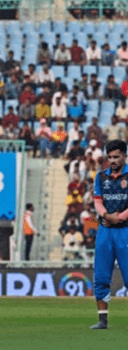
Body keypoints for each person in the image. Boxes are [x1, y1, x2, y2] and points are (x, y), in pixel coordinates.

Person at [91, 140, 128, 329]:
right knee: (101, 275)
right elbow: (97, 201)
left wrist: (119, 218)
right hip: (105, 230)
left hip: (125, 231)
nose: (112, 161)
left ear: (124, 156)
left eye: (116, 157)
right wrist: (106, 215)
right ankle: (102, 320)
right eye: (110, 157)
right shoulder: (101, 177)